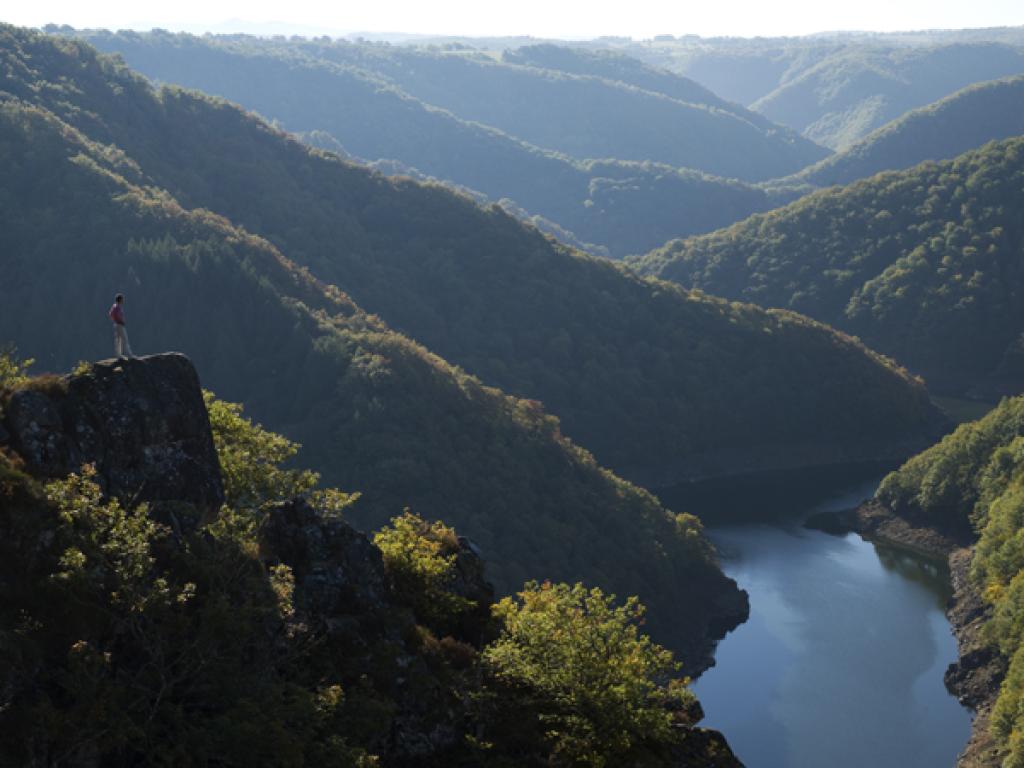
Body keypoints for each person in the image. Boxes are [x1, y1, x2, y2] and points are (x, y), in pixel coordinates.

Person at [108, 293, 134, 358]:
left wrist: (115, 320)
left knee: (118, 340)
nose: (123, 300)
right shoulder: (118, 307)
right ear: (120, 300)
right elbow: (118, 315)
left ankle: (118, 355)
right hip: (120, 324)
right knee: (125, 339)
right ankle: (129, 354)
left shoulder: (114, 306)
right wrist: (121, 321)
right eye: (122, 299)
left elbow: (110, 314)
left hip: (116, 324)